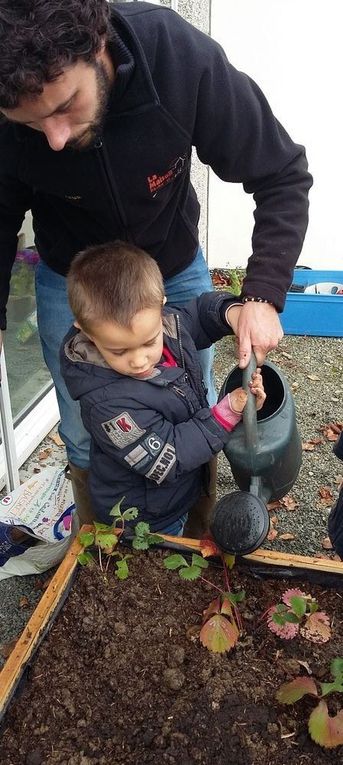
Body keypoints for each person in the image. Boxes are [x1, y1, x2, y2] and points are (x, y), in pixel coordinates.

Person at [0, 0, 312, 522]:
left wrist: (257, 297)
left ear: (97, 43)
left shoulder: (174, 56)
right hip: (70, 276)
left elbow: (280, 173)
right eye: (31, 124)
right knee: (83, 428)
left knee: (190, 393)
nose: (54, 138)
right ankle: (102, 553)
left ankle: (197, 534)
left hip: (172, 261)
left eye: (64, 106)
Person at [60, 240, 266, 536]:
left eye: (148, 342)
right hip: (146, 517)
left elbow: (199, 314)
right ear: (85, 330)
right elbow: (168, 456)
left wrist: (232, 313)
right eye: (119, 351)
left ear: (161, 308)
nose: (139, 359)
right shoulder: (107, 404)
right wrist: (227, 413)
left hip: (176, 493)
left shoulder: (166, 327)